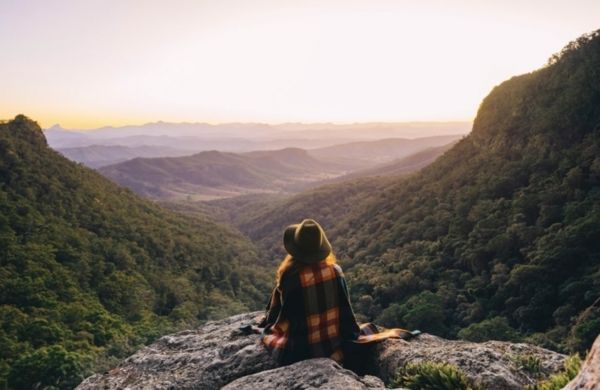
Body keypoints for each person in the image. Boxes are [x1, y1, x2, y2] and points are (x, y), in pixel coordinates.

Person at [259, 218, 417, 368]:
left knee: (267, 333)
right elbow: (346, 313)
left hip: (299, 350)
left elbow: (277, 317)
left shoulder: (290, 277)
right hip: (333, 344)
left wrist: (267, 325)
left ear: (296, 249)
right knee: (369, 328)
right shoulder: (336, 271)